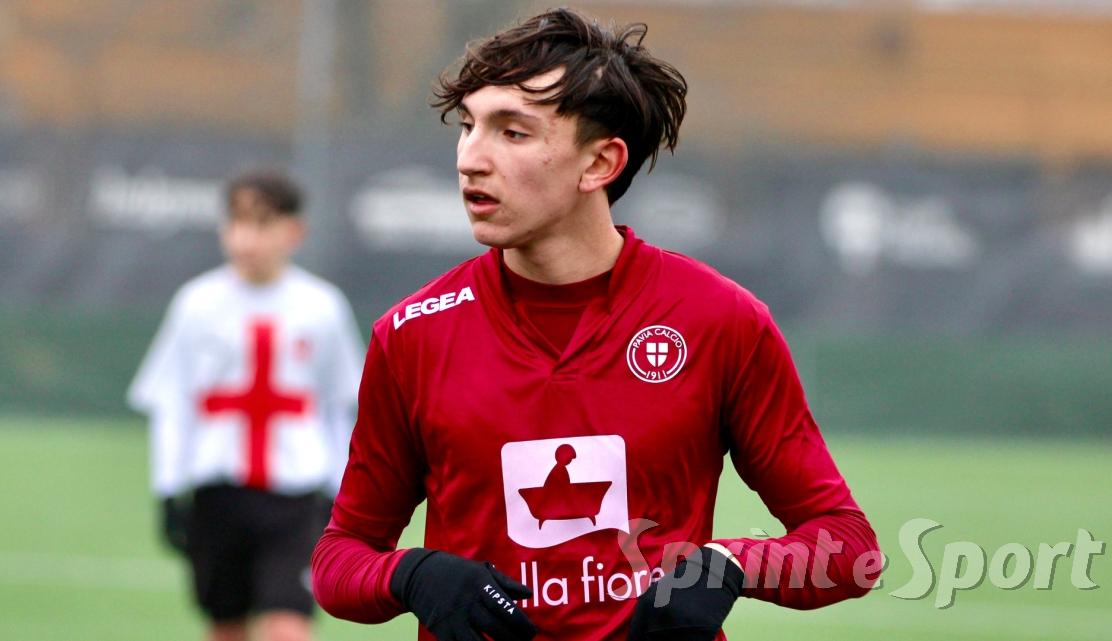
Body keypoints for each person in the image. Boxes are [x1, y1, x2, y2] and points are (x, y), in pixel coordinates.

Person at [312, 8, 880, 641]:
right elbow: (340, 559)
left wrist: (725, 566)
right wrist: (411, 575)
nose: (470, 159)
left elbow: (848, 546)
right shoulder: (411, 334)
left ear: (600, 163)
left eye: (512, 133)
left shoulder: (720, 320)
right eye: (468, 126)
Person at [128, 169, 365, 641]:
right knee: (226, 624)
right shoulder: (196, 304)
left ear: (293, 232)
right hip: (218, 494)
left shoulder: (322, 307)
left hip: (295, 498)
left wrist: (339, 493)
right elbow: (173, 404)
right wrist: (168, 489)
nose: (245, 238)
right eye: (236, 222)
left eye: (261, 223)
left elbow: (338, 408)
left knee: (288, 624)